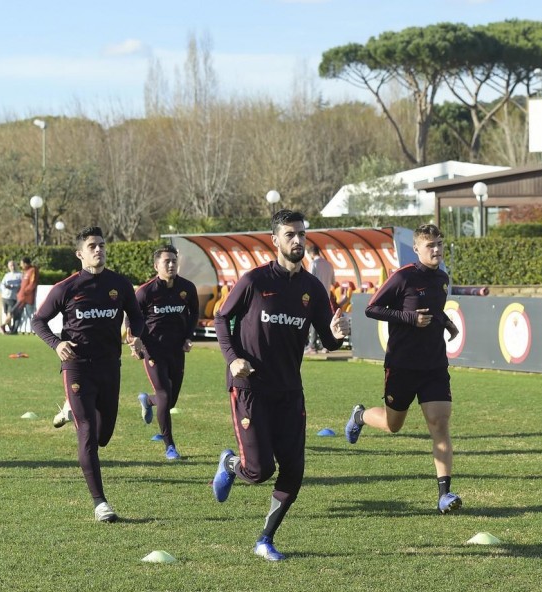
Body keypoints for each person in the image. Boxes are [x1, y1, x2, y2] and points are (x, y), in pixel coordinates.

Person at [212, 209, 350, 561]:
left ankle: (265, 539)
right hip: (250, 387)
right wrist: (233, 359)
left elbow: (328, 340)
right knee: (259, 472)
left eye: (302, 234)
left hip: (289, 391)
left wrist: (336, 336)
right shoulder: (255, 281)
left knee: (294, 469)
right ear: (275, 240)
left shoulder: (313, 289)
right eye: (290, 234)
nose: (298, 240)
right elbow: (221, 317)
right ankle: (229, 465)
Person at [343, 223, 463, 514]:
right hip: (402, 365)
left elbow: (434, 310)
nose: (436, 250)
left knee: (439, 423)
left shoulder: (443, 279)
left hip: (434, 363)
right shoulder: (403, 277)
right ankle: (359, 416)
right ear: (418, 249)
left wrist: (446, 323)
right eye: (430, 246)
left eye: (440, 244)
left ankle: (444, 495)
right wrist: (408, 318)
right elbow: (372, 308)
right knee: (392, 425)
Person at [32, 226, 145, 522]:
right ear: (80, 253)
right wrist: (56, 344)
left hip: (109, 366)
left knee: (103, 436)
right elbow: (38, 321)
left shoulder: (119, 284)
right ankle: (100, 503)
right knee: (87, 432)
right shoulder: (66, 288)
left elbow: (136, 314)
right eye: (92, 246)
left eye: (102, 245)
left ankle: (71, 408)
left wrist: (135, 334)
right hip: (77, 366)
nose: (98, 250)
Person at [130, 244, 200, 461]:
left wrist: (189, 336)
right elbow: (132, 317)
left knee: (171, 401)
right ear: (156, 265)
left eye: (174, 261)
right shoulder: (145, 291)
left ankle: (147, 400)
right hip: (154, 351)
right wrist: (135, 341)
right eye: (166, 261)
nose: (171, 265)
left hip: (176, 350)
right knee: (164, 394)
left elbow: (194, 312)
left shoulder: (187, 288)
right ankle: (170, 446)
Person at [305, 244, 335, 354]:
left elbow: (309, 281)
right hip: (326, 296)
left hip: (314, 297)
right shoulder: (329, 265)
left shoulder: (313, 264)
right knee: (325, 322)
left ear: (311, 253)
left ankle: (312, 346)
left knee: (313, 322)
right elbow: (333, 282)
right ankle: (325, 346)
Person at [9, 257, 38, 333]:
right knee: (16, 313)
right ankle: (14, 330)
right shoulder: (25, 271)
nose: (21, 265)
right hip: (21, 297)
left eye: (22, 264)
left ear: (26, 263)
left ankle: (36, 330)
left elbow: (33, 283)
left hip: (27, 298)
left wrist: (25, 291)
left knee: (30, 315)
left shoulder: (32, 270)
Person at [0, 260, 22, 333]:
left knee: (10, 313)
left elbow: (21, 285)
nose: (13, 267)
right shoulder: (7, 275)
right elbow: (2, 284)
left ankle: (2, 326)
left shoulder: (19, 275)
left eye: (14, 265)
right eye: (11, 265)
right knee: (6, 314)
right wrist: (3, 287)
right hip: (5, 297)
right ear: (8, 267)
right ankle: (10, 328)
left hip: (12, 297)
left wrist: (12, 286)